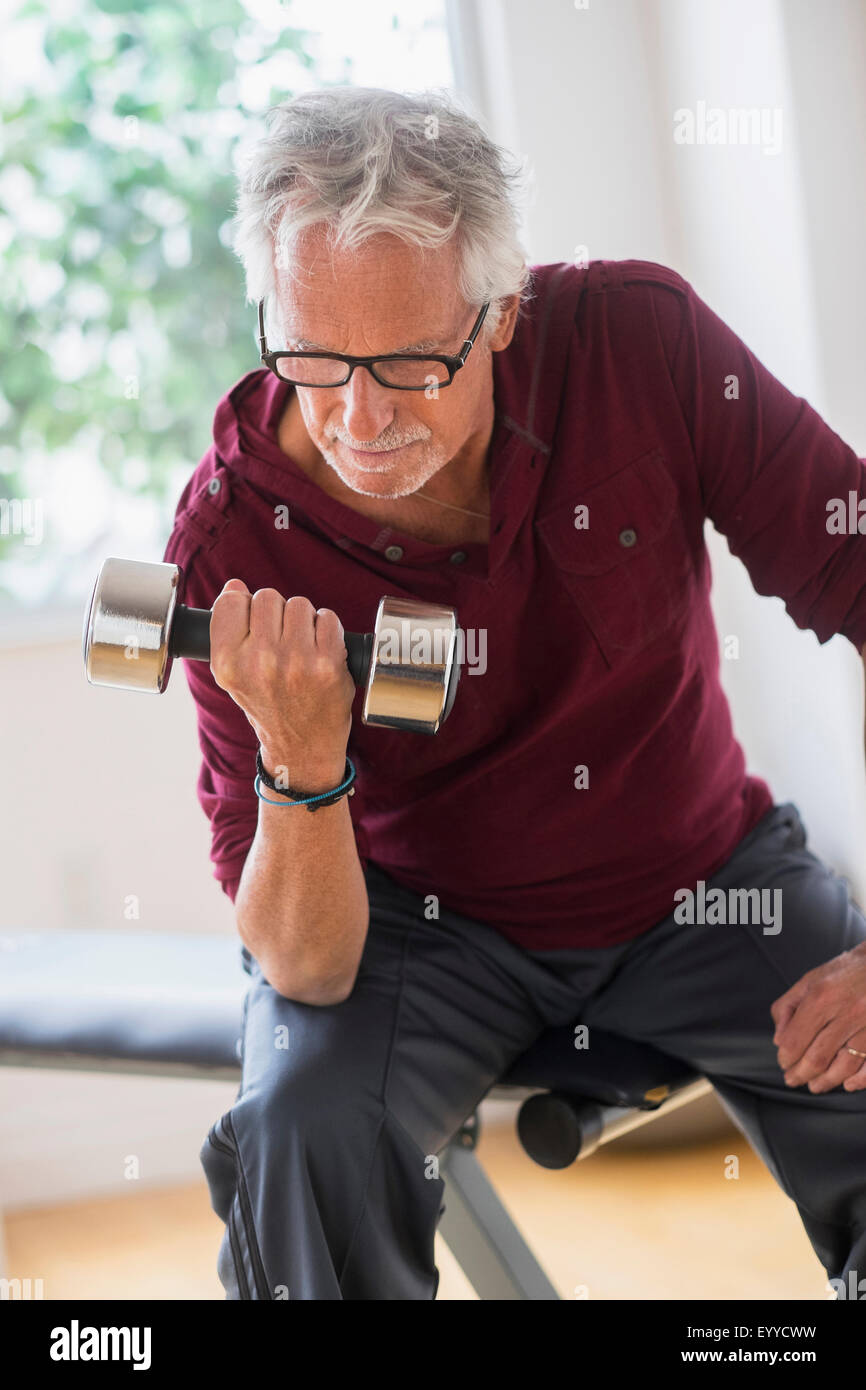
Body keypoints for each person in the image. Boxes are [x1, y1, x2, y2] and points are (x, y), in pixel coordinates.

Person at [163, 86, 866, 1300]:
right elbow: (306, 967)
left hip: (705, 884)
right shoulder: (230, 544)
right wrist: (300, 754)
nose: (359, 419)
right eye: (313, 359)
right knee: (301, 1130)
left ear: (500, 313)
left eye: (409, 363)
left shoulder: (640, 343)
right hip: (415, 934)